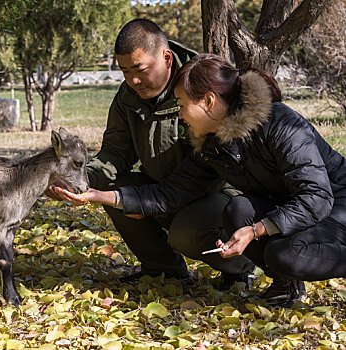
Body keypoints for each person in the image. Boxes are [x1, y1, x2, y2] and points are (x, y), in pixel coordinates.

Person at [55, 53, 346, 307]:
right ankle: (286, 285)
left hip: (336, 204)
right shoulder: (211, 145)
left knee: (284, 253)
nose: (180, 115)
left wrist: (258, 229)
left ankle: (289, 269)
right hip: (294, 207)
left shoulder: (280, 122)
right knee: (238, 210)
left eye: (182, 104)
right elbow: (169, 194)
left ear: (208, 100)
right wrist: (100, 196)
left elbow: (317, 197)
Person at [47, 19, 254, 288]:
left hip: (216, 193)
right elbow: (116, 153)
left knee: (185, 230)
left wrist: (141, 201)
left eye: (139, 69)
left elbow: (205, 175)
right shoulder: (128, 95)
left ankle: (241, 268)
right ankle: (163, 270)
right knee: (113, 187)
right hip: (162, 190)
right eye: (123, 71)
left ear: (167, 58)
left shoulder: (203, 87)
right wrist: (78, 180)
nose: (133, 80)